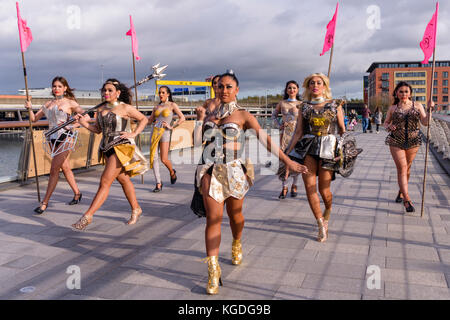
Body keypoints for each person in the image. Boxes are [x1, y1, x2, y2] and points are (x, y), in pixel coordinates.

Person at [197, 72, 307, 295]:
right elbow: (197, 141)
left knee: (235, 216)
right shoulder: (208, 114)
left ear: (237, 90)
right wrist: (200, 121)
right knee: (213, 218)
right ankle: (213, 269)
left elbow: (266, 140)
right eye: (219, 87)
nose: (223, 90)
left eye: (228, 87)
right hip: (209, 169)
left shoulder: (243, 115)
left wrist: (288, 161)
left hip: (234, 171)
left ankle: (236, 242)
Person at [71, 79, 149, 230]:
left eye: (110, 90)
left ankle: (88, 216)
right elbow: (97, 130)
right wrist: (82, 122)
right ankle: (136, 209)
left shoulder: (125, 108)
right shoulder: (100, 110)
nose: (106, 93)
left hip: (121, 147)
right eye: (104, 90)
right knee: (124, 180)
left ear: (118, 93)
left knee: (105, 181)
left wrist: (134, 133)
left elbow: (144, 119)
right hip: (106, 148)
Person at [284, 73, 346, 243]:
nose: (315, 85)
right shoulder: (304, 107)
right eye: (312, 83)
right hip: (308, 147)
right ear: (308, 87)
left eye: (319, 83)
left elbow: (342, 129)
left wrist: (344, 147)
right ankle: (320, 223)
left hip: (328, 147)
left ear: (325, 86)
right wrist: (286, 155)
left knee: (324, 190)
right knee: (310, 187)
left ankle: (328, 208)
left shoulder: (335, 105)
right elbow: (298, 133)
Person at [25, 76, 87, 214]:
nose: (56, 89)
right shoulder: (48, 104)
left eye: (59, 86)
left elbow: (87, 116)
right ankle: (77, 193)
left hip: (66, 137)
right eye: (54, 86)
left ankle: (44, 203)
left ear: (65, 88)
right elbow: (34, 119)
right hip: (51, 138)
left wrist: (72, 125)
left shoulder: (70, 103)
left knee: (54, 169)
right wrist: (30, 108)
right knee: (65, 167)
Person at [384, 81, 432, 212]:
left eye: (406, 91)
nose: (403, 94)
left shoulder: (417, 106)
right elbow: (385, 123)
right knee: (402, 168)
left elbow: (425, 122)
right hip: (396, 141)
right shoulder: (392, 108)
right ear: (396, 93)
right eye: (401, 91)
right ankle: (407, 199)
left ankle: (401, 191)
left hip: (413, 141)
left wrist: (429, 110)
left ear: (410, 93)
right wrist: (389, 126)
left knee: (407, 169)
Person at [147, 86, 185, 192]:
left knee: (163, 159)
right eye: (160, 92)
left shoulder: (172, 105)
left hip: (165, 133)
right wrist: (137, 120)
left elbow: (182, 118)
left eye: (163, 92)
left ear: (168, 94)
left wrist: (172, 127)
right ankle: (158, 183)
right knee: (154, 158)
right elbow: (149, 120)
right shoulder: (156, 107)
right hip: (155, 131)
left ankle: (172, 172)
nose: (161, 94)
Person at [271, 80, 302, 199]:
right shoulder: (282, 103)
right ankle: (284, 186)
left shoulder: (301, 104)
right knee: (284, 160)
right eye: (289, 88)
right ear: (286, 90)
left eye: (294, 88)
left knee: (296, 159)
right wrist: (279, 125)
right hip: (285, 135)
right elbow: (274, 116)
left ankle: (295, 184)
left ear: (297, 90)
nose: (292, 90)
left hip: (298, 135)